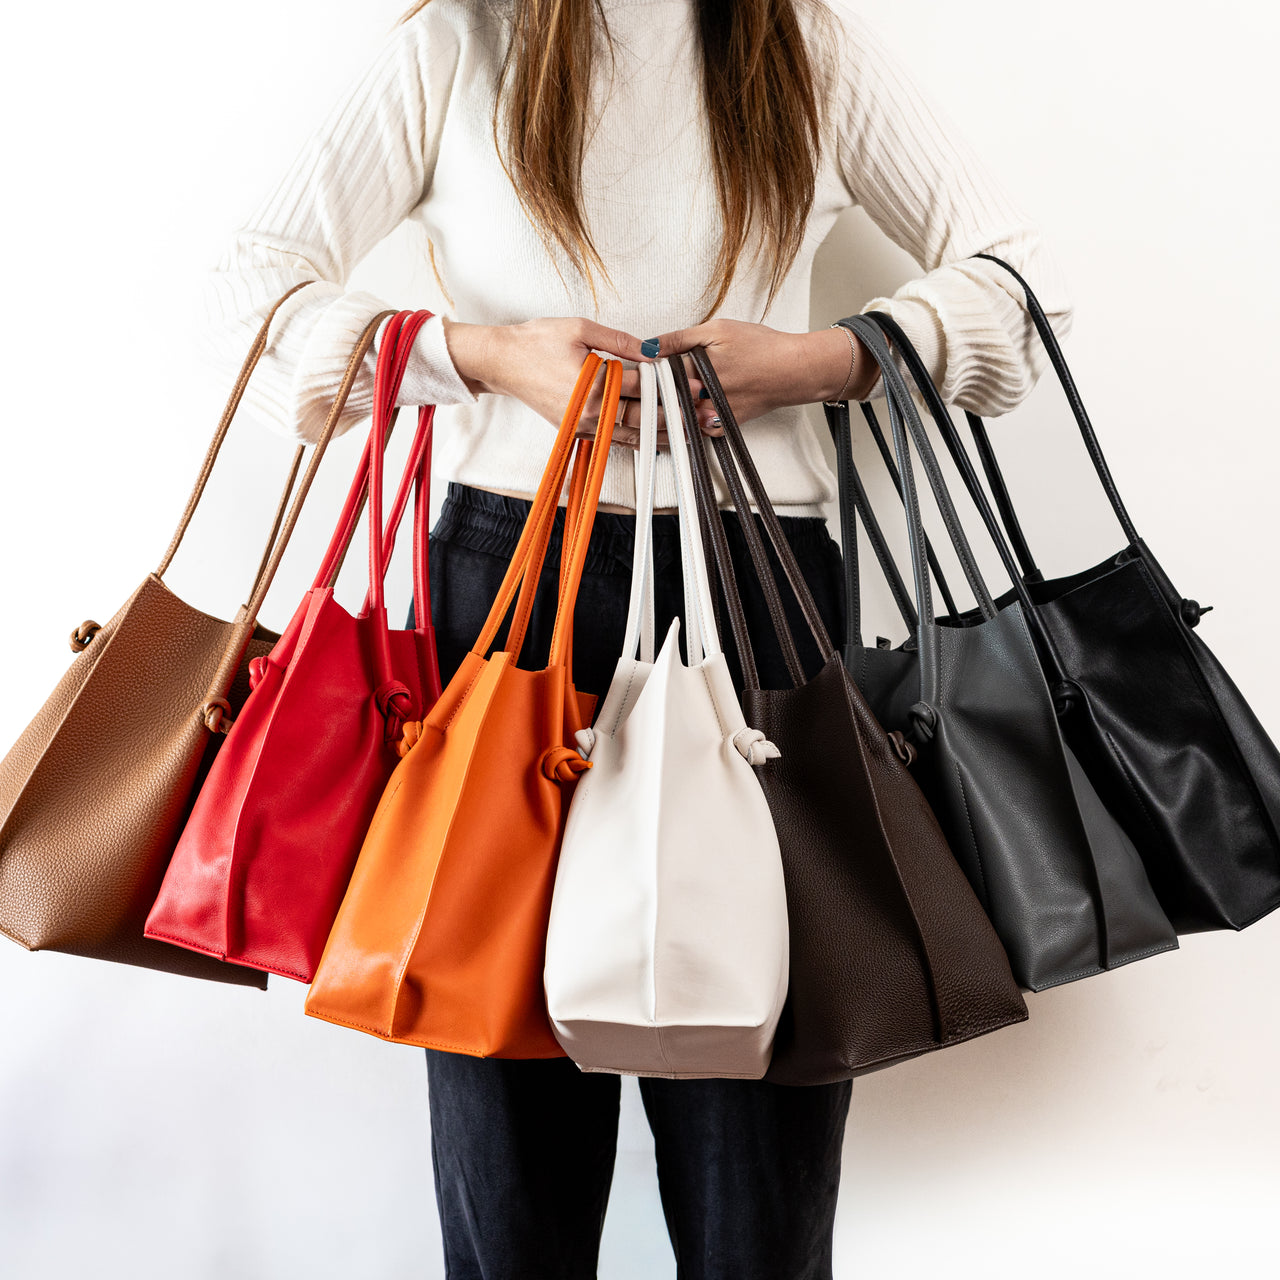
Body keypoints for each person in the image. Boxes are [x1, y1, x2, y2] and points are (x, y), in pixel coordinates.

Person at [207, 1, 1071, 1276]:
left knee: (758, 1144)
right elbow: (255, 278)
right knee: (509, 1147)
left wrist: (816, 360)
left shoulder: (799, 43)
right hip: (510, 579)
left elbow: (1007, 272)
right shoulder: (459, 43)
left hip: (758, 584)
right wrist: (483, 355)